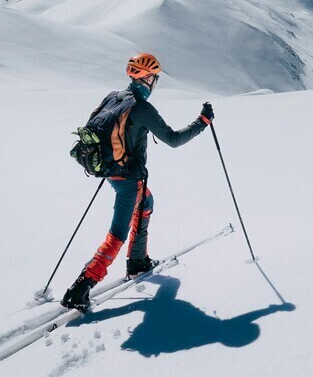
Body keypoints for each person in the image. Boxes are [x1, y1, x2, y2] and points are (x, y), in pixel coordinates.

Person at [61, 53, 214, 312]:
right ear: (148, 78)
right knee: (117, 233)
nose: (155, 83)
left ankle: (138, 260)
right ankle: (82, 286)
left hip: (111, 170)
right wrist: (202, 122)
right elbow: (174, 140)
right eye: (154, 78)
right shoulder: (142, 107)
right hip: (128, 178)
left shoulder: (113, 96)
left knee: (147, 201)